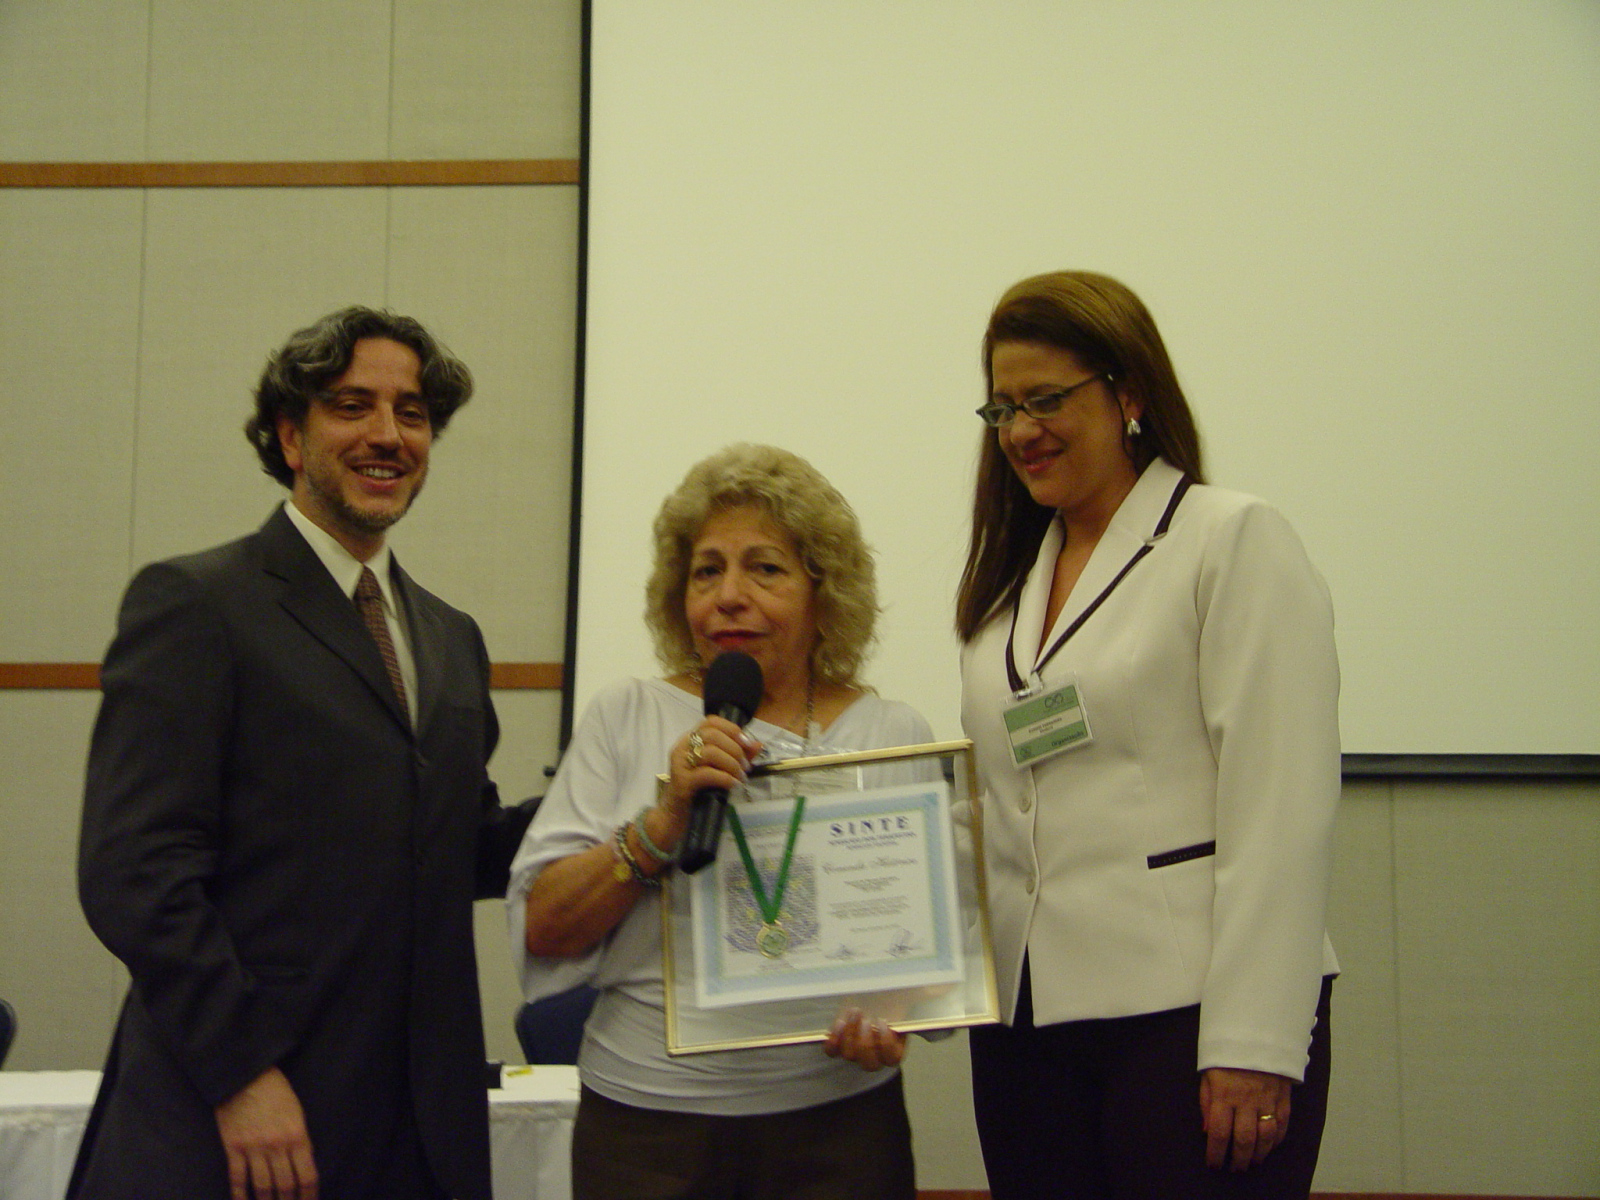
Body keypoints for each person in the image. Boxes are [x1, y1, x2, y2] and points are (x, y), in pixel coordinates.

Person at [72, 307, 535, 1200]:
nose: (387, 434)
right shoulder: (197, 603)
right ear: (290, 436)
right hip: (238, 1126)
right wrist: (241, 1073)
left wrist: (631, 809)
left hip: (415, 1132)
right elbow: (134, 873)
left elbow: (458, 846)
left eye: (411, 413)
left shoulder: (451, 636)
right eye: (352, 406)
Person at [957, 271, 1339, 1198]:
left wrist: (1254, 1041)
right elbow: (996, 812)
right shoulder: (1005, 592)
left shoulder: (1229, 538)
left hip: (1190, 1022)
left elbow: (1279, 807)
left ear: (1128, 394)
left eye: (1046, 400)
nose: (1020, 431)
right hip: (1026, 1032)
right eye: (1003, 408)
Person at [509, 443, 930, 1200]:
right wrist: (663, 824)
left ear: (823, 590)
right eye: (707, 572)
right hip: (646, 1131)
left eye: (764, 569)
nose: (729, 596)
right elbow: (545, 928)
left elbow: (935, 949)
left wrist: (900, 1009)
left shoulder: (890, 732)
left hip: (838, 1125)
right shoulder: (626, 715)